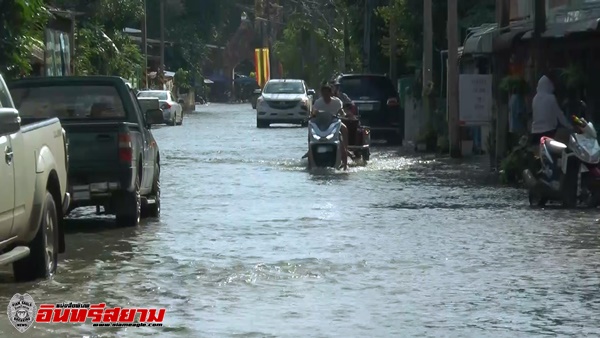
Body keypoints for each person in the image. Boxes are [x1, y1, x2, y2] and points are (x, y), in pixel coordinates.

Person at [309, 83, 349, 169]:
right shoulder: (318, 102)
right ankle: (310, 151)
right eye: (324, 93)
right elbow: (314, 113)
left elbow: (341, 112)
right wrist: (312, 115)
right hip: (321, 125)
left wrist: (344, 115)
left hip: (334, 124)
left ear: (331, 93)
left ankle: (345, 152)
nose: (325, 95)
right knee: (310, 131)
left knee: (344, 129)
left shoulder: (337, 102)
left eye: (327, 93)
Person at [531, 74, 573, 145]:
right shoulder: (551, 98)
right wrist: (569, 126)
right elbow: (559, 114)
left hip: (535, 131)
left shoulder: (535, 98)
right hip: (549, 131)